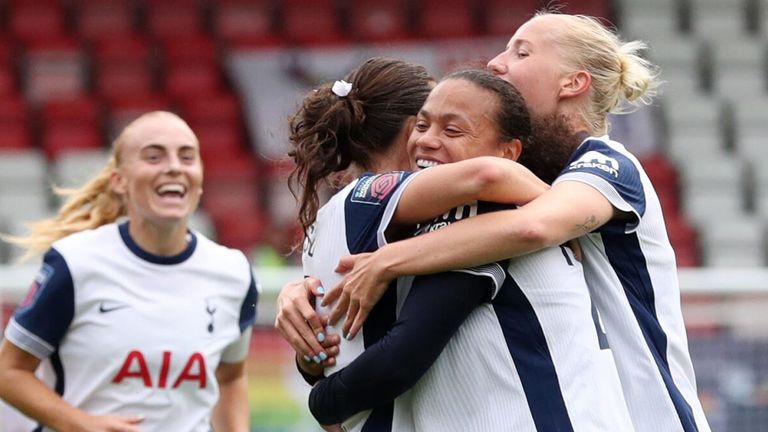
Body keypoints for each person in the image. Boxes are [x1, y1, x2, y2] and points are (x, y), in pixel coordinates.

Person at [325, 11, 711, 432]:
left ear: (572, 82)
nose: (496, 62)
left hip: (652, 418)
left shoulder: (606, 163)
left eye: (522, 51)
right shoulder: (515, 182)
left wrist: (389, 260)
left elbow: (536, 227)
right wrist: (306, 293)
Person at [279, 60, 633, 431]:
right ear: (406, 130)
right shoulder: (382, 201)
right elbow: (487, 174)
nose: (430, 140)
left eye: (452, 128)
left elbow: (355, 355)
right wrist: (556, 210)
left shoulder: (329, 227)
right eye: (423, 124)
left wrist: (319, 389)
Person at [0, 111, 258, 432]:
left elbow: (231, 377)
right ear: (119, 181)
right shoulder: (75, 263)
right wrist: (82, 424)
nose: (174, 166)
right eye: (154, 156)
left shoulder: (233, 273)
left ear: (201, 178)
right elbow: (8, 372)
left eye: (187, 157)